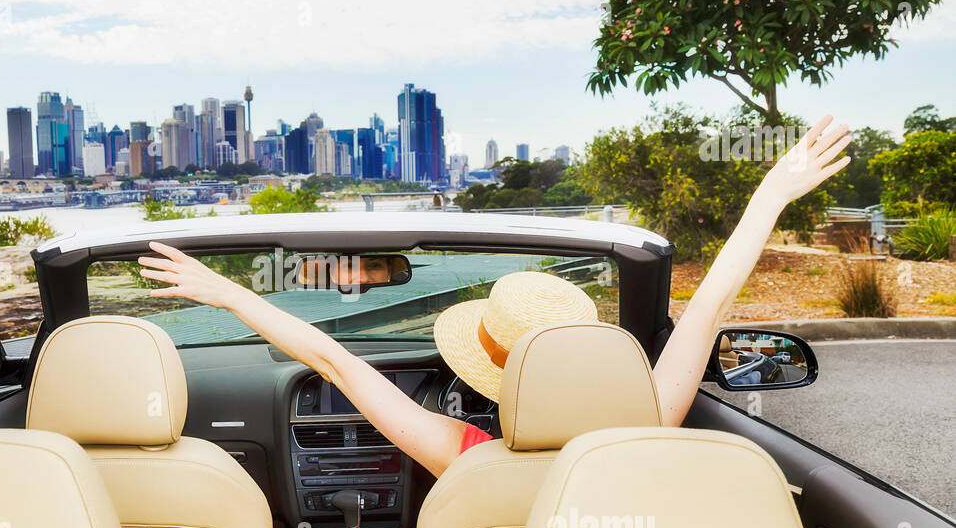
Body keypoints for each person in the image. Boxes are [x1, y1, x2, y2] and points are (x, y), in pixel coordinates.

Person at [138, 115, 852, 478]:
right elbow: (708, 310)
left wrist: (229, 291)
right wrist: (770, 192)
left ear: (494, 377)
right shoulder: (650, 425)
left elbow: (331, 361)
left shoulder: (468, 455)